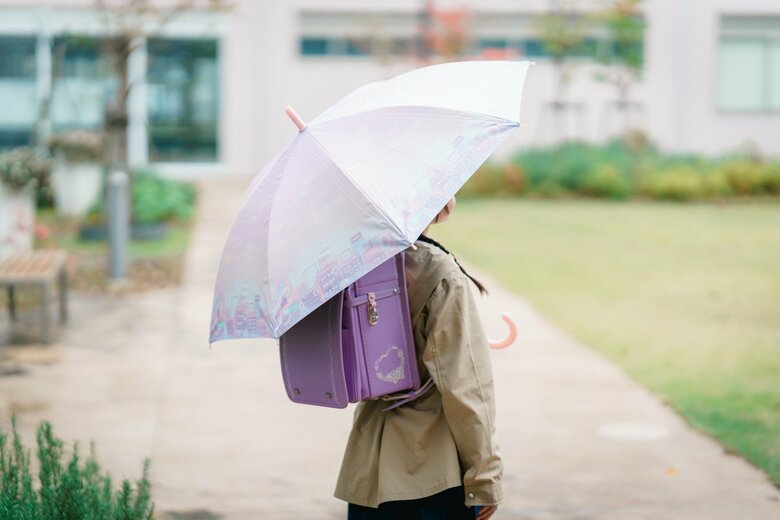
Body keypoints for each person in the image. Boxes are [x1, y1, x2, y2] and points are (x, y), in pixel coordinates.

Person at [334, 197, 502, 520]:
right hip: (432, 475)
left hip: (368, 470)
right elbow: (466, 387)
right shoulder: (439, 273)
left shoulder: (348, 263)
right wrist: (484, 478)